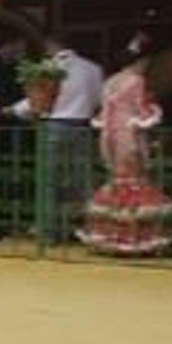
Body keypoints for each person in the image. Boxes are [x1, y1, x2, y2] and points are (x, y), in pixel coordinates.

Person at [77, 33, 172, 256]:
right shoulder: (137, 81)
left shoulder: (110, 81)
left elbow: (104, 112)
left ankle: (111, 237)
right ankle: (133, 239)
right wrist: (154, 116)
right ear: (140, 61)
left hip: (109, 137)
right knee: (134, 184)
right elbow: (142, 113)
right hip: (130, 137)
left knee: (118, 184)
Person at [39, 36, 105, 243]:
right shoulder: (93, 69)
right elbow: (98, 99)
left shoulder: (47, 67)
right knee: (82, 180)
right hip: (82, 125)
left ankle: (51, 232)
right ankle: (88, 230)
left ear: (51, 45)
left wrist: (14, 109)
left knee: (51, 182)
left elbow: (38, 99)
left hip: (55, 125)